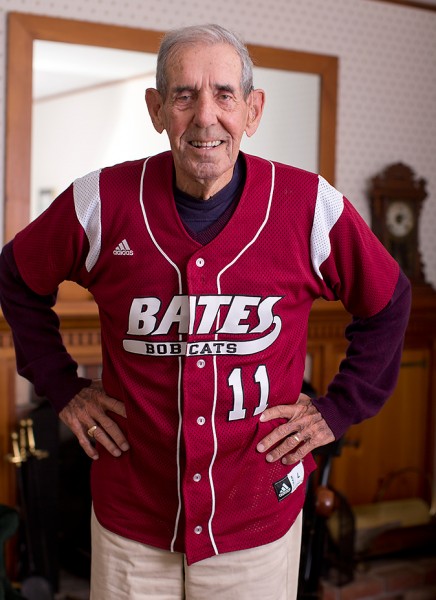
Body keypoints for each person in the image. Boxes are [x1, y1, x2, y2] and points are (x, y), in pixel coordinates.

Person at [0, 24, 411, 600]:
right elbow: (15, 275)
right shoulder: (99, 200)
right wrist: (63, 386)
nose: (204, 116)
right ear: (156, 108)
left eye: (223, 94)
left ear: (252, 108)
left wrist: (340, 408)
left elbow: (389, 299)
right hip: (132, 523)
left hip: (257, 522)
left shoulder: (308, 206)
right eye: (184, 94)